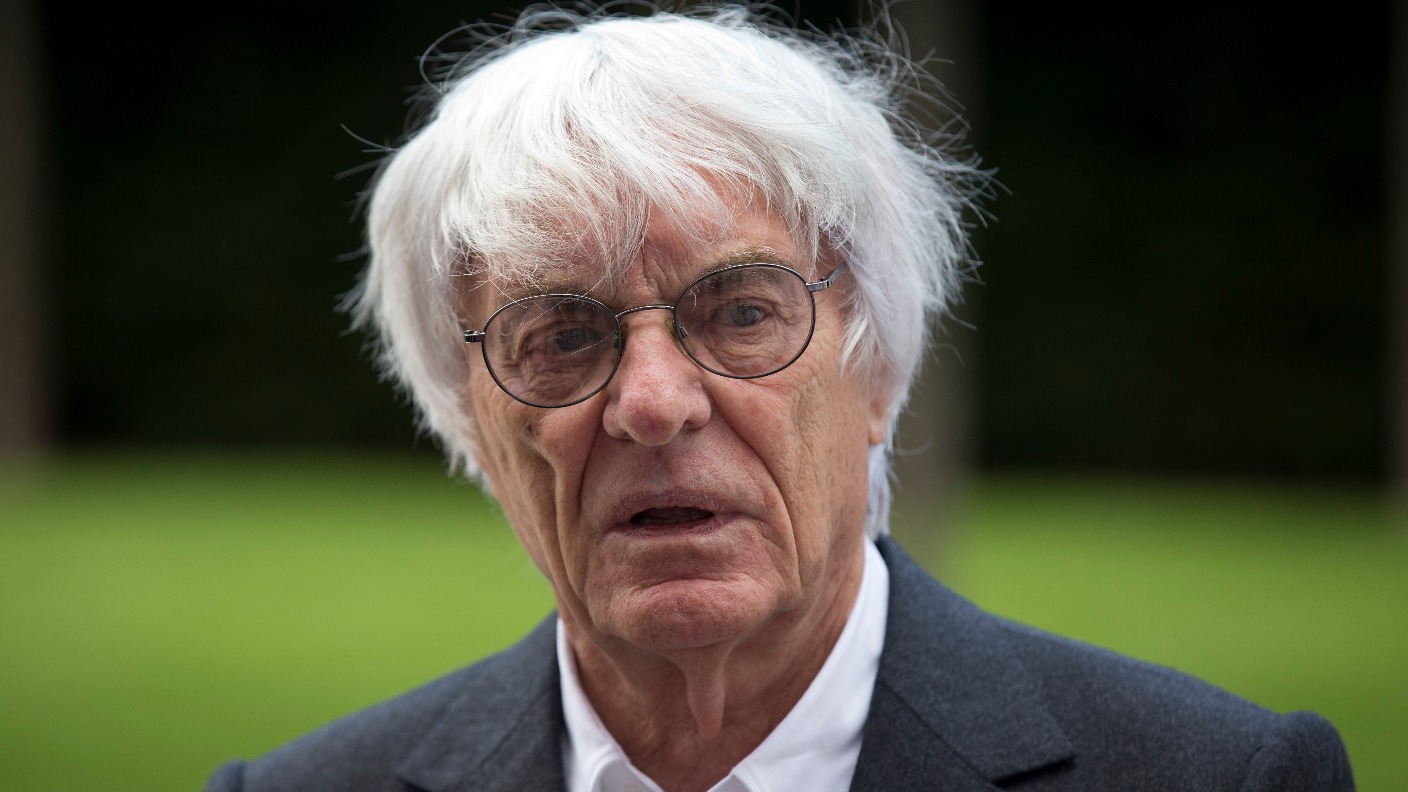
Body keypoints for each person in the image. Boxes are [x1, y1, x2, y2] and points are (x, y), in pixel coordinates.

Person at [206, 5, 1355, 791]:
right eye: (561, 336)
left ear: (880, 368)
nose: (652, 403)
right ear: (467, 417)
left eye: (740, 313)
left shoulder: (1218, 775)